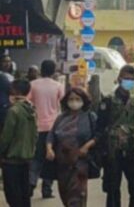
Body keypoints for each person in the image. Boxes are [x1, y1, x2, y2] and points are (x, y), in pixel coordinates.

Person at [97, 65, 134, 207]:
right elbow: (100, 126)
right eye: (126, 78)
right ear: (119, 79)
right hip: (113, 153)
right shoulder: (108, 100)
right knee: (112, 189)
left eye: (131, 79)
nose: (128, 82)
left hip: (132, 152)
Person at [46, 88, 97, 207]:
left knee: (78, 197)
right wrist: (49, 149)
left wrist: (87, 146)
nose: (74, 102)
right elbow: (51, 135)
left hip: (80, 163)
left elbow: (98, 135)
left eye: (77, 99)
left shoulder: (90, 117)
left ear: (84, 100)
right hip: (62, 164)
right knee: (65, 195)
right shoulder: (61, 118)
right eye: (71, 99)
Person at [28, 59, 64, 199]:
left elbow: (28, 102)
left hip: (36, 127)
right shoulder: (58, 86)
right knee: (50, 159)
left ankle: (31, 184)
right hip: (53, 127)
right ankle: (47, 190)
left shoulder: (33, 85)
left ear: (41, 70)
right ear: (54, 70)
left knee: (36, 158)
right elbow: (64, 103)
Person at [0, 79, 38, 207]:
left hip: (12, 159)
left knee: (12, 194)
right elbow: (35, 134)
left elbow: (6, 137)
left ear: (15, 91)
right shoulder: (31, 109)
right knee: (24, 193)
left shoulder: (13, 111)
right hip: (26, 157)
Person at [0, 54, 13, 130]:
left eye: (9, 61)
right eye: (5, 61)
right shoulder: (3, 77)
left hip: (6, 109)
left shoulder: (10, 76)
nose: (7, 64)